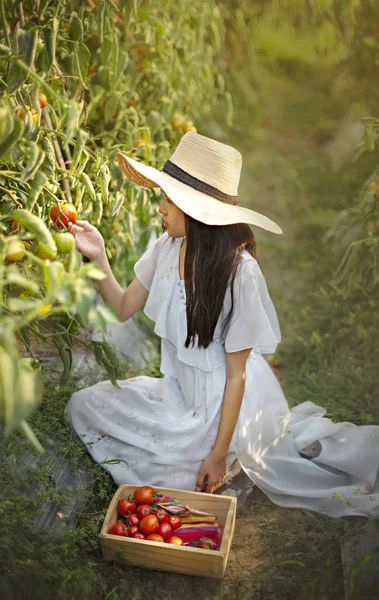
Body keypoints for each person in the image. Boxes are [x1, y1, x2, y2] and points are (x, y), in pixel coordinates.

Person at [65, 132, 379, 518]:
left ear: (197, 211)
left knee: (179, 478)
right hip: (181, 393)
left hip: (222, 406)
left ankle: (225, 456)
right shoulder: (166, 248)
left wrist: (216, 453)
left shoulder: (238, 273)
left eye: (169, 200)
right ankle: (192, 450)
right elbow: (123, 306)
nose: (161, 208)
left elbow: (236, 377)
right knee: (83, 406)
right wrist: (97, 257)